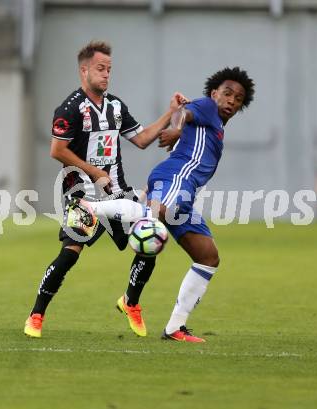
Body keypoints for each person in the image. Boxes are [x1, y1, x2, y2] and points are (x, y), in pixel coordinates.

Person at [69, 67, 255, 342]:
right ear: (214, 94)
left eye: (238, 98)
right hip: (174, 180)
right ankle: (89, 207)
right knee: (156, 215)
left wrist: (181, 133)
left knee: (208, 257)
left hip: (185, 192)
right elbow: (184, 112)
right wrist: (176, 129)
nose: (231, 100)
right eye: (227, 93)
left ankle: (174, 328)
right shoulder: (207, 107)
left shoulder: (215, 126)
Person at [24, 40, 187, 338]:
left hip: (116, 193)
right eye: (100, 69)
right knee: (69, 255)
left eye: (109, 70)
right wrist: (93, 170)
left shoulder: (115, 106)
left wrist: (170, 111)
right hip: (82, 196)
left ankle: (130, 302)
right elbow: (57, 150)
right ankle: (36, 314)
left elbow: (142, 139)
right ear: (84, 71)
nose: (106, 75)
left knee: (150, 236)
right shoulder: (70, 109)